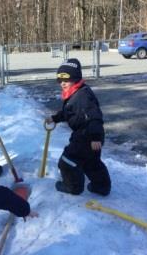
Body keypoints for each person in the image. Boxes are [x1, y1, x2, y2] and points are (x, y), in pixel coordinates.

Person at [46, 58, 111, 196]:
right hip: (88, 135)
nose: (62, 83)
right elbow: (68, 112)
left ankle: (73, 187)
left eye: (66, 80)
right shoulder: (76, 92)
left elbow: (95, 117)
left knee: (67, 161)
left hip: (87, 135)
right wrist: (55, 118)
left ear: (75, 79)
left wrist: (95, 137)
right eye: (60, 80)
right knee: (91, 162)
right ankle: (101, 187)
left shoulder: (83, 97)